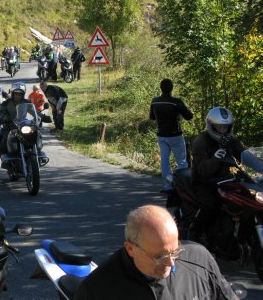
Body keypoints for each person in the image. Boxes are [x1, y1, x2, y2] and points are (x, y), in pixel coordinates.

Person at [74, 205, 237, 300]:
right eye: (159, 256)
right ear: (131, 249)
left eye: (175, 251)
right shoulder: (97, 290)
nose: (171, 263)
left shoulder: (199, 259)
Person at [189, 106, 245, 243]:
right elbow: (202, 169)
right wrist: (215, 160)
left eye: (226, 127)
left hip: (226, 180)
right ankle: (194, 230)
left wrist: (257, 162)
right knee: (211, 205)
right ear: (211, 126)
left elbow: (244, 154)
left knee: (245, 201)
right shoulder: (201, 141)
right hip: (204, 182)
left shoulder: (232, 140)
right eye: (219, 127)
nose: (223, 130)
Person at [149, 79, 193, 192]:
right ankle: (180, 185)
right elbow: (189, 116)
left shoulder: (155, 101)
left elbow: (152, 117)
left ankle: (168, 186)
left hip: (162, 135)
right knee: (182, 161)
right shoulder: (176, 102)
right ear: (172, 88)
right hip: (176, 135)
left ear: (160, 88)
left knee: (165, 161)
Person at [0, 82, 30, 154]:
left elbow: (35, 111)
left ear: (23, 95)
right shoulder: (7, 102)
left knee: (33, 135)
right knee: (3, 146)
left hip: (22, 126)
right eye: (16, 94)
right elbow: (0, 110)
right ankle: (5, 160)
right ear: (12, 94)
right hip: (10, 126)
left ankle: (36, 152)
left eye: (19, 94)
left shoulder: (26, 102)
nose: (17, 96)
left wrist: (42, 116)